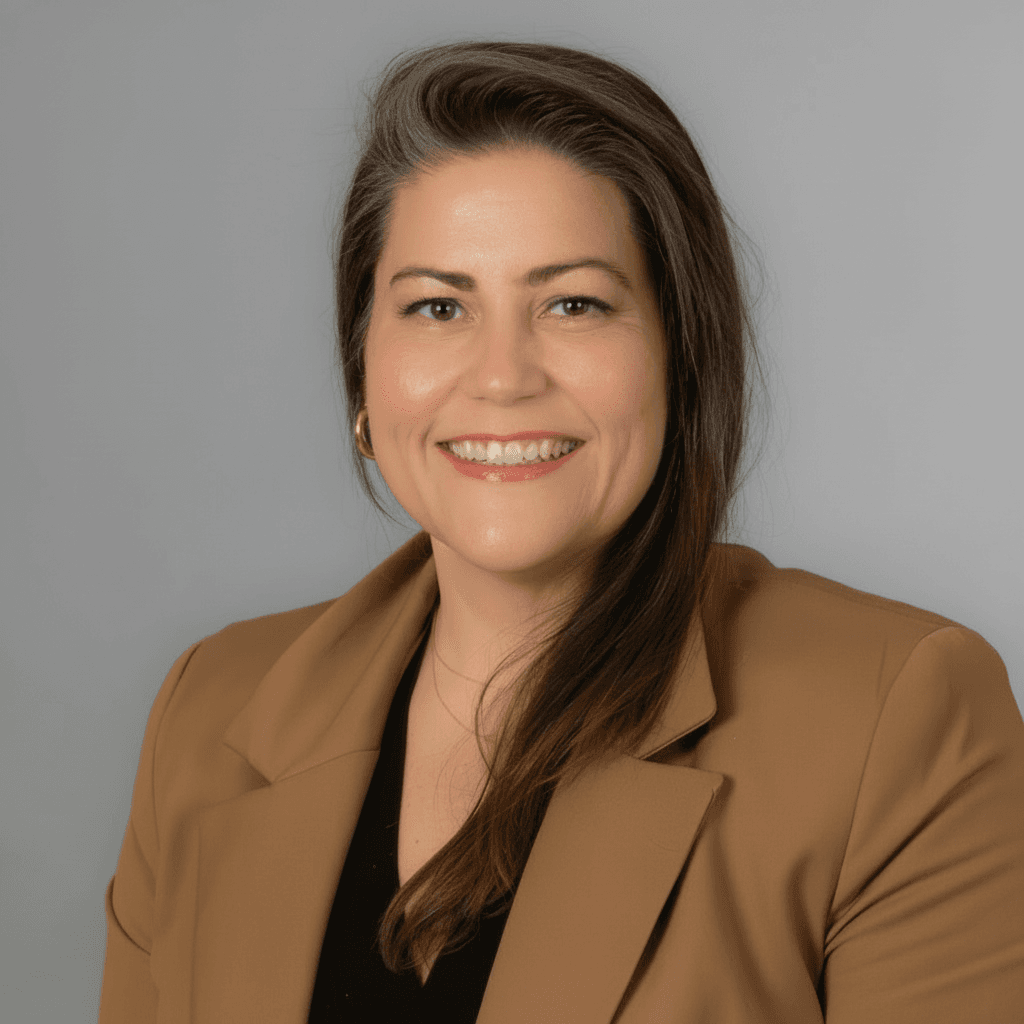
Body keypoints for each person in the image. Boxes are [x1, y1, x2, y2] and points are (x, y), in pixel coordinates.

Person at [98, 40, 1024, 1023]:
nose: (502, 376)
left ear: (679, 354)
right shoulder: (207, 714)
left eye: (573, 303)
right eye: (437, 305)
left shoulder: (895, 716)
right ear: (363, 376)